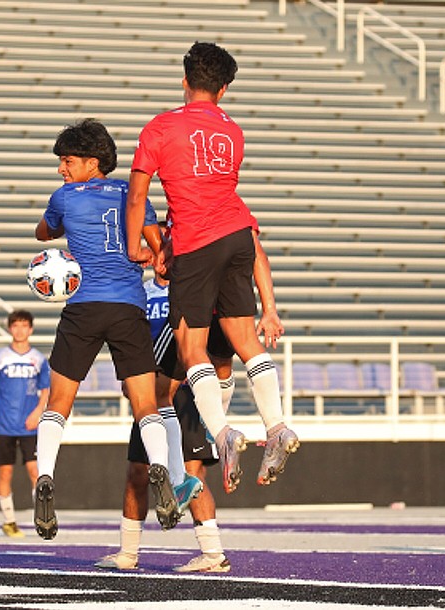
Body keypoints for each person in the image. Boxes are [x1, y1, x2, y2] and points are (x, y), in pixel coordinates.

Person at [125, 41, 299, 495]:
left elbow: (138, 195)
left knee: (191, 349)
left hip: (196, 243)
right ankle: (277, 425)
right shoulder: (233, 131)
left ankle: (222, 433)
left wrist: (134, 246)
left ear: (185, 80)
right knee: (245, 341)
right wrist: (271, 307)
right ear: (223, 89)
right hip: (238, 236)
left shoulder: (161, 128)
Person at [32, 118, 186, 541]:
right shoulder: (132, 194)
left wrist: (60, 225)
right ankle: (159, 467)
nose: (61, 170)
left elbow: (44, 231)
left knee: (58, 401)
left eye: (67, 161)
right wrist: (153, 257)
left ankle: (44, 476)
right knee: (145, 404)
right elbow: (159, 255)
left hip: (82, 308)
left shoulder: (64, 197)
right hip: (127, 308)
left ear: (91, 162)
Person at [96, 230, 284, 572]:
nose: (157, 255)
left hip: (185, 392)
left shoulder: (193, 291)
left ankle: (212, 553)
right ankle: (128, 552)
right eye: (153, 250)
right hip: (149, 394)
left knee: (192, 472)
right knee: (138, 472)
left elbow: (212, 348)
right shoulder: (137, 295)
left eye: (162, 248)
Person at [0, 309, 50, 538]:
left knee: (35, 471)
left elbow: (46, 389)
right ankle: (9, 521)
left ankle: (41, 516)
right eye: (15, 325)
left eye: (24, 325)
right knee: (5, 473)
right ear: (10, 328)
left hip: (29, 425)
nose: (20, 330)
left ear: (31, 329)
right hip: (4, 425)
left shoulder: (38, 359)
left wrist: (38, 412)